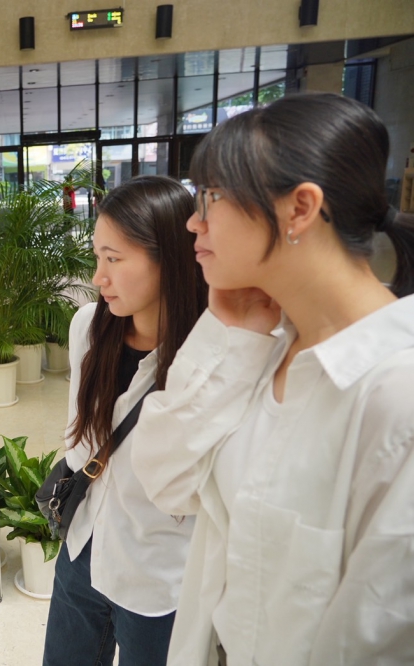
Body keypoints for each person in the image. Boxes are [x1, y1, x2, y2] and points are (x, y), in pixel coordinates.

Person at [129, 93, 414, 665]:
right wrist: (229, 332)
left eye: (210, 197)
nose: (193, 221)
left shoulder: (395, 394)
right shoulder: (265, 342)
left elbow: (375, 641)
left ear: (300, 208)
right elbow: (164, 481)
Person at [43, 176, 208, 666]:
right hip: (82, 548)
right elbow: (78, 443)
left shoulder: (204, 357)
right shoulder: (88, 328)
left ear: (169, 260)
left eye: (114, 259)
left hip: (158, 575)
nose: (99, 277)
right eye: (98, 256)